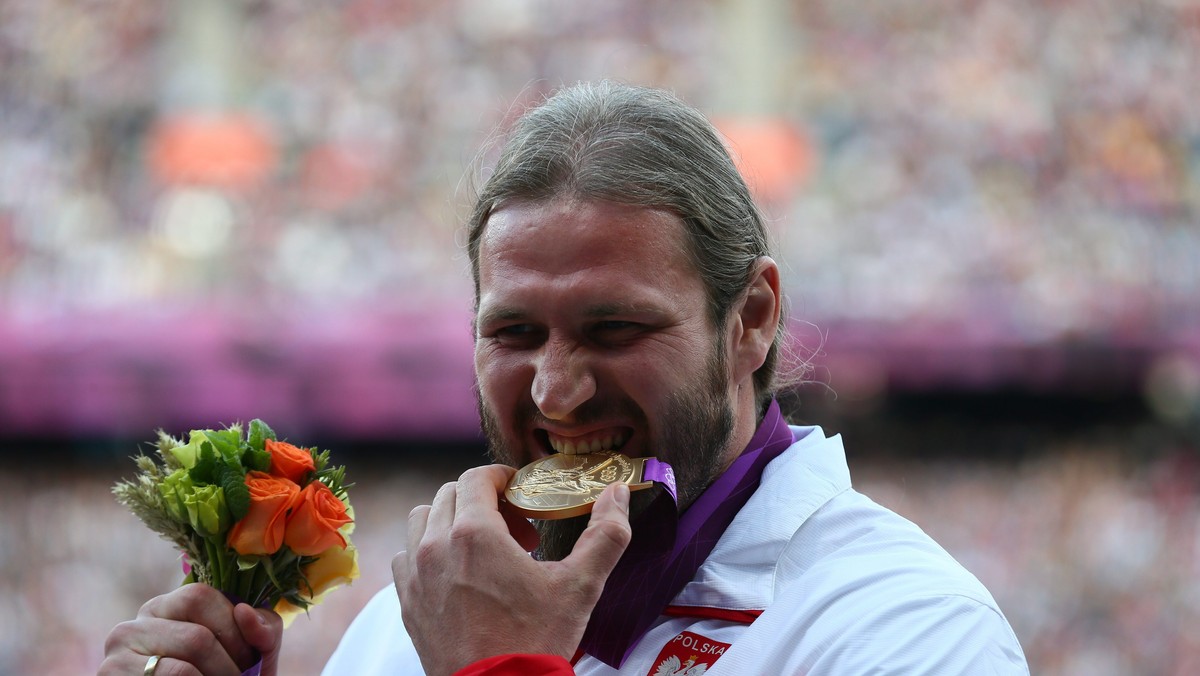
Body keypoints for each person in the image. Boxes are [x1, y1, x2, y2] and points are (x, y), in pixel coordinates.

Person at [101, 81, 1029, 675]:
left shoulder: (904, 629)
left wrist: (504, 673)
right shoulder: (408, 622)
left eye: (612, 327)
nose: (555, 392)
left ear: (750, 321)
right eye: (513, 331)